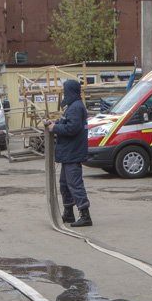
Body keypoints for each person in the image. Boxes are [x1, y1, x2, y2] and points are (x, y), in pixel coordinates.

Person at [48, 78, 91, 227]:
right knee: (64, 184)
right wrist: (56, 123)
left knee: (74, 184)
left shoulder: (75, 107)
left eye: (65, 91)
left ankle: (85, 215)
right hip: (68, 153)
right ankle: (69, 213)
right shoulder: (72, 106)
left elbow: (72, 128)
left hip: (73, 153)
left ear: (70, 91)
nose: (64, 94)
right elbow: (67, 123)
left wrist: (55, 128)